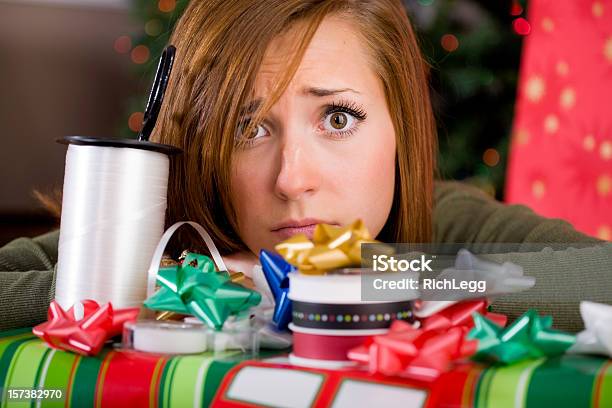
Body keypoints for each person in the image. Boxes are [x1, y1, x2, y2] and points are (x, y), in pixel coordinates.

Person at [1, 0, 610, 332]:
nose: (293, 180)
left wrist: (376, 277)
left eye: (338, 118)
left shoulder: (444, 223)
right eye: (248, 127)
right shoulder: (158, 234)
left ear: (402, 125)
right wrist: (183, 289)